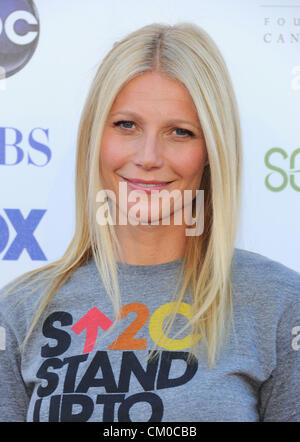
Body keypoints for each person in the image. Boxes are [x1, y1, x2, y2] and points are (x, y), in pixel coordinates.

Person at [0, 22, 299, 423]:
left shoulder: (278, 303)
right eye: (127, 125)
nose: (148, 156)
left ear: (211, 148)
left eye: (180, 132)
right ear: (95, 137)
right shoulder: (21, 311)